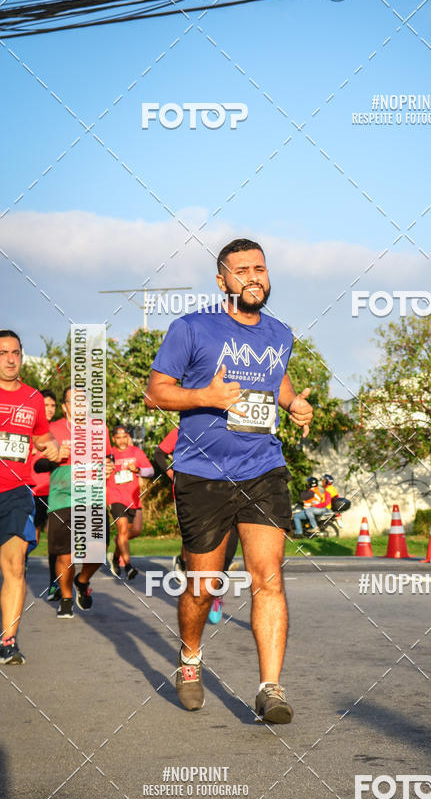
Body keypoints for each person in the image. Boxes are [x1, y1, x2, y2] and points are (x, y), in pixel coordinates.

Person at [145, 237, 313, 720]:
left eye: (259, 268)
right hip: (202, 473)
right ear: (222, 281)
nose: (253, 277)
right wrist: (206, 396)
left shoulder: (280, 334)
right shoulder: (191, 328)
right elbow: (155, 393)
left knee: (269, 577)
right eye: (241, 271)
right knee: (203, 585)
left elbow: (276, 379)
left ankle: (271, 689)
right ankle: (190, 659)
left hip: (263, 467)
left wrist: (292, 403)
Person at [0, 331, 58, 663]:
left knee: (15, 566)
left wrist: (53, 447)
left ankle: (8, 642)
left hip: (17, 491)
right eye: (3, 353)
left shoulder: (34, 398)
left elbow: (42, 437)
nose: (10, 359)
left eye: (15, 353)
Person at [36, 386, 111, 618]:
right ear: (65, 406)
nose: (78, 405)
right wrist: (55, 458)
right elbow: (37, 464)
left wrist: (109, 466)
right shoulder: (52, 429)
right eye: (73, 401)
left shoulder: (100, 429)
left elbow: (108, 457)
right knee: (65, 555)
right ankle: (67, 598)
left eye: (82, 401)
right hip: (63, 498)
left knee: (98, 549)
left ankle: (82, 580)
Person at [153, 426, 239, 623]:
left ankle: (216, 592)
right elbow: (159, 454)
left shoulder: (225, 428)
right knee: (197, 543)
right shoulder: (182, 429)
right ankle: (185, 564)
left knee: (229, 541)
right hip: (191, 494)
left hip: (225, 490)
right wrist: (171, 474)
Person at [106, 424, 154, 580]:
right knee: (122, 530)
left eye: (124, 437)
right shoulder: (109, 454)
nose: (121, 440)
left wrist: (138, 470)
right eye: (118, 438)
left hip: (133, 499)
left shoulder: (136, 452)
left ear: (128, 437)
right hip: (115, 496)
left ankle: (115, 556)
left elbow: (151, 471)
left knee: (135, 530)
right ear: (113, 439)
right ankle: (128, 566)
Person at [29, 389, 61, 600]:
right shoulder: (29, 428)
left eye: (52, 406)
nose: (49, 409)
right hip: (31, 490)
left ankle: (54, 584)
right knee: (30, 539)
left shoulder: (59, 429)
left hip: (55, 491)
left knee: (54, 538)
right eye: (45, 405)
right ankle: (19, 567)